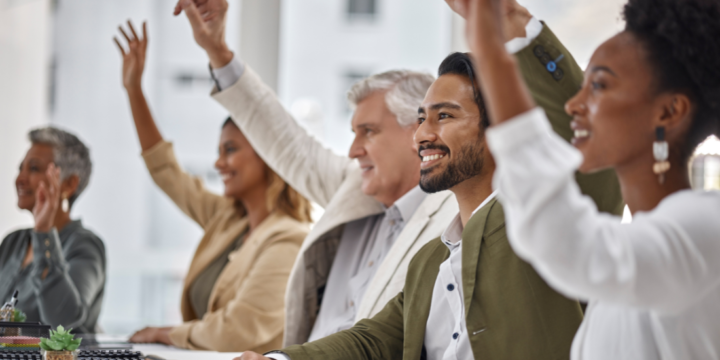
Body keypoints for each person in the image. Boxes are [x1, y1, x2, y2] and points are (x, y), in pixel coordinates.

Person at [236, 1, 627, 359]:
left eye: (445, 116)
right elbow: (373, 340)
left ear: (499, 131)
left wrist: (512, 22)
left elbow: (584, 146)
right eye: (422, 117)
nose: (422, 134)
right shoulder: (429, 262)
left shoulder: (544, 223)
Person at [174, 0, 461, 348]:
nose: (353, 150)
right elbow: (287, 143)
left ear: (415, 130)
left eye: (368, 131)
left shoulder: (454, 217)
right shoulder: (354, 189)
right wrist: (218, 52)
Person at [462, 0, 720, 358]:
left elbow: (568, 242)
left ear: (668, 112)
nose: (573, 104)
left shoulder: (708, 228)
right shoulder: (633, 253)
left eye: (598, 85)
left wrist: (493, 60)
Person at [113, 22, 312, 353]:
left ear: (267, 156)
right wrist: (134, 89)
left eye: (230, 150)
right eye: (219, 151)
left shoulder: (289, 238)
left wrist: (167, 334)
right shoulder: (228, 219)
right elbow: (166, 171)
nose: (219, 163)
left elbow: (237, 331)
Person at [0, 127, 106, 334]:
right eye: (20, 169)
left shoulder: (84, 245)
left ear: (69, 183)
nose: (19, 179)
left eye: (33, 169)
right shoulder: (13, 242)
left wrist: (43, 232)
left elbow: (62, 321)